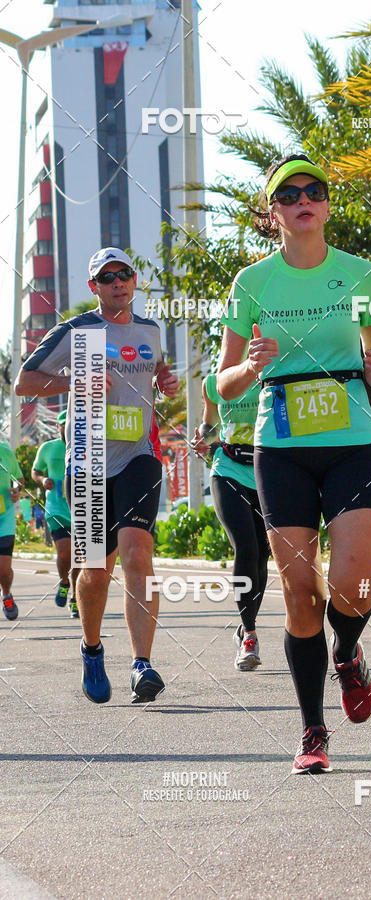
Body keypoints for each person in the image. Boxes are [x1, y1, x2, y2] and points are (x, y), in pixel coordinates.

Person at [217, 154, 371, 773]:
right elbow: (224, 385)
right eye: (288, 194)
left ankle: (349, 649)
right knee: (298, 594)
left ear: (325, 203)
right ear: (275, 212)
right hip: (281, 447)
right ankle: (313, 730)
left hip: (349, 441)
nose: (302, 200)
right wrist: (252, 366)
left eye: (313, 190)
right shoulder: (252, 283)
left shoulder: (359, 274)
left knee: (353, 581)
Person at [16, 247, 179, 704]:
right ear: (94, 287)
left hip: (139, 456)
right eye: (107, 278)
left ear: (133, 280)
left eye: (124, 274)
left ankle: (142, 664)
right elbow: (23, 383)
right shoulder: (76, 331)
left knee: (137, 552)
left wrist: (164, 381)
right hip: (87, 462)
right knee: (93, 570)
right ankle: (91, 649)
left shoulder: (149, 331)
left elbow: (152, 376)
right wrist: (75, 382)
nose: (117, 283)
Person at [192, 372, 269, 670]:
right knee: (246, 547)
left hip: (267, 472)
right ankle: (250, 634)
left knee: (262, 554)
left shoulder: (272, 371)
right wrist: (203, 438)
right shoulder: (213, 383)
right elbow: (211, 427)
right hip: (228, 469)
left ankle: (244, 626)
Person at [32, 410, 80, 617]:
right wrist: (43, 480)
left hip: (81, 508)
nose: (66, 428)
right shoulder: (48, 448)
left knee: (80, 556)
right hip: (56, 508)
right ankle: (64, 581)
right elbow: (36, 470)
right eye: (63, 424)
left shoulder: (87, 447)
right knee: (64, 552)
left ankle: (76, 597)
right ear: (59, 427)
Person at [0, 442, 24, 621]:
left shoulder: (5, 452)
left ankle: (6, 594)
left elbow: (19, 478)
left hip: (4, 517)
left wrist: (16, 490)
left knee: (4, 568)